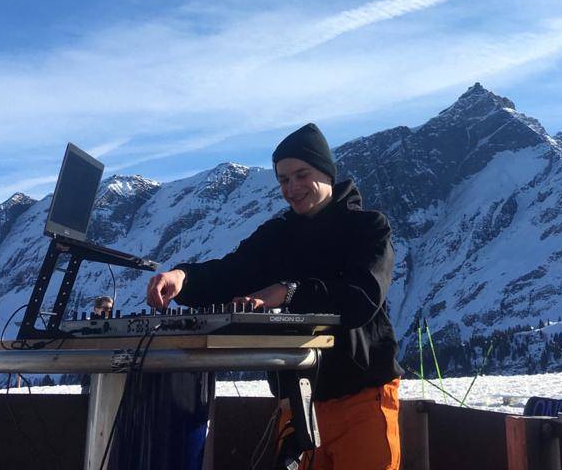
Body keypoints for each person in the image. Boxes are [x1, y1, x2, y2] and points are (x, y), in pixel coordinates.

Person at [146, 122, 402, 469]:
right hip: (296, 402)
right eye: (283, 180)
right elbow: (230, 272)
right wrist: (183, 278)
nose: (292, 188)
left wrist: (287, 292)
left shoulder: (368, 228)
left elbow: (361, 298)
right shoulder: (277, 235)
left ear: (326, 172)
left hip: (361, 398)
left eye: (301, 175)